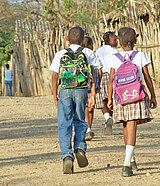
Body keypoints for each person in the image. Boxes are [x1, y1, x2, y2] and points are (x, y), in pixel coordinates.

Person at [107, 27, 157, 177]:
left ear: (119, 42)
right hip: (136, 95)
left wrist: (109, 98)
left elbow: (110, 80)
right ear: (135, 40)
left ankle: (131, 157)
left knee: (126, 125)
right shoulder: (140, 55)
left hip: (121, 97)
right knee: (132, 126)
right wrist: (153, 95)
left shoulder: (115, 57)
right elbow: (147, 77)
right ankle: (126, 164)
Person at [50, 26, 99, 174]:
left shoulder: (60, 54)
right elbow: (95, 72)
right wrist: (93, 94)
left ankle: (67, 156)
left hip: (65, 90)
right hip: (82, 91)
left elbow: (54, 76)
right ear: (83, 39)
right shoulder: (88, 52)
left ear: (67, 38)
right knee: (80, 120)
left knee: (64, 123)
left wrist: (55, 96)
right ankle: (79, 148)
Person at [95, 31, 118, 135]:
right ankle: (109, 119)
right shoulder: (115, 52)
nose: (116, 41)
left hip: (101, 76)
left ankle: (107, 117)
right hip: (113, 76)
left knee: (102, 100)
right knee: (111, 99)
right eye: (114, 39)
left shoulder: (98, 51)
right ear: (108, 40)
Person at [82, 36, 102, 141]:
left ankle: (86, 129)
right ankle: (88, 128)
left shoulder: (75, 53)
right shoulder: (91, 53)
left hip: (79, 85)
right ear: (89, 45)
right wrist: (97, 82)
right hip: (91, 85)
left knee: (84, 108)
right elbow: (99, 70)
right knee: (90, 108)